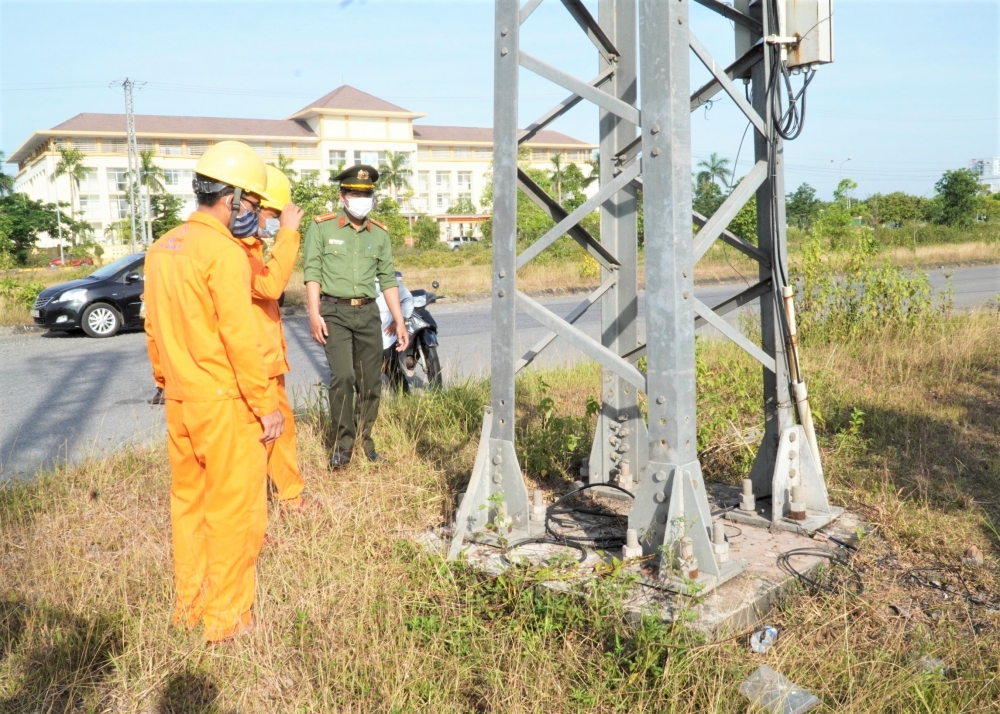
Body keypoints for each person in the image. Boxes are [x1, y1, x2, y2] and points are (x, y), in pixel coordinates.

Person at [144, 140, 282, 642]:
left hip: (180, 401)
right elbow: (238, 338)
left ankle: (190, 606)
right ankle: (226, 620)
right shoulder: (223, 252)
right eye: (250, 203)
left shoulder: (163, 247)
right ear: (232, 200)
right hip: (224, 404)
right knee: (234, 510)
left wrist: (167, 380)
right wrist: (265, 405)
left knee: (190, 507)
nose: (252, 213)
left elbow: (153, 329)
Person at [303, 164, 408, 468]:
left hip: (368, 313)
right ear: (342, 196)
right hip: (333, 312)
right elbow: (312, 273)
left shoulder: (380, 234)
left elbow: (387, 279)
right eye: (354, 193)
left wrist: (400, 320)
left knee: (371, 381)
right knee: (344, 377)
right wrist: (313, 313)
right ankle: (343, 445)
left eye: (367, 193)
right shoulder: (322, 227)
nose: (361, 198)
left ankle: (366, 440)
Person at [247, 165, 307, 511]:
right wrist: (288, 234)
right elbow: (271, 286)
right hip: (252, 360)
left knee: (281, 430)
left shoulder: (252, 247)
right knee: (255, 437)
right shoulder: (236, 251)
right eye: (271, 214)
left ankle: (290, 495)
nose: (271, 222)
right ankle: (254, 509)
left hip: (267, 358)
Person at [377, 272, 414, 387]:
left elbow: (408, 299)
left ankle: (406, 401)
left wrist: (399, 321)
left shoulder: (387, 280)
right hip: (362, 337)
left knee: (393, 372)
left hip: (386, 337)